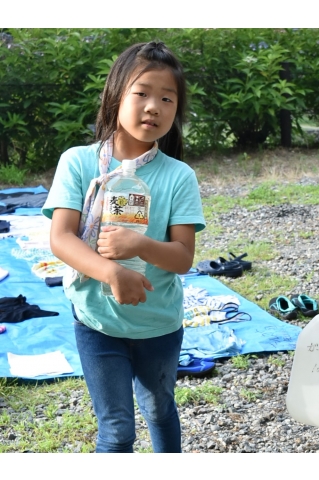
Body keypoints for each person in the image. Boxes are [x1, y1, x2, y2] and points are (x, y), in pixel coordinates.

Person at [42, 41, 205, 453]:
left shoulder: (179, 176)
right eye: (143, 93)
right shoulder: (78, 163)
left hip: (158, 325)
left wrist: (140, 245)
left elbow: (183, 258)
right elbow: (61, 237)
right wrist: (112, 272)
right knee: (116, 430)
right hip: (96, 320)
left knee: (159, 408)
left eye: (167, 98)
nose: (154, 106)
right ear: (116, 95)